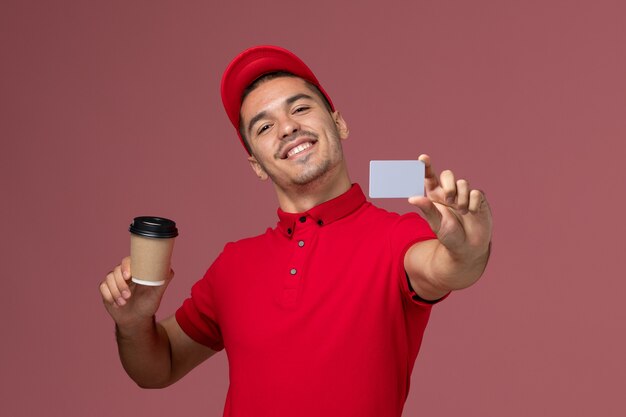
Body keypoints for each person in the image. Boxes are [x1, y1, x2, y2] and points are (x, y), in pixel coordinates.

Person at [99, 45, 493, 417]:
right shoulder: (233, 265)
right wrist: (133, 324)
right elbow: (157, 367)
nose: (287, 128)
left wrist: (470, 248)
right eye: (265, 126)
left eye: (300, 108)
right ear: (254, 163)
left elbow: (449, 267)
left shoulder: (396, 236)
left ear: (338, 122)